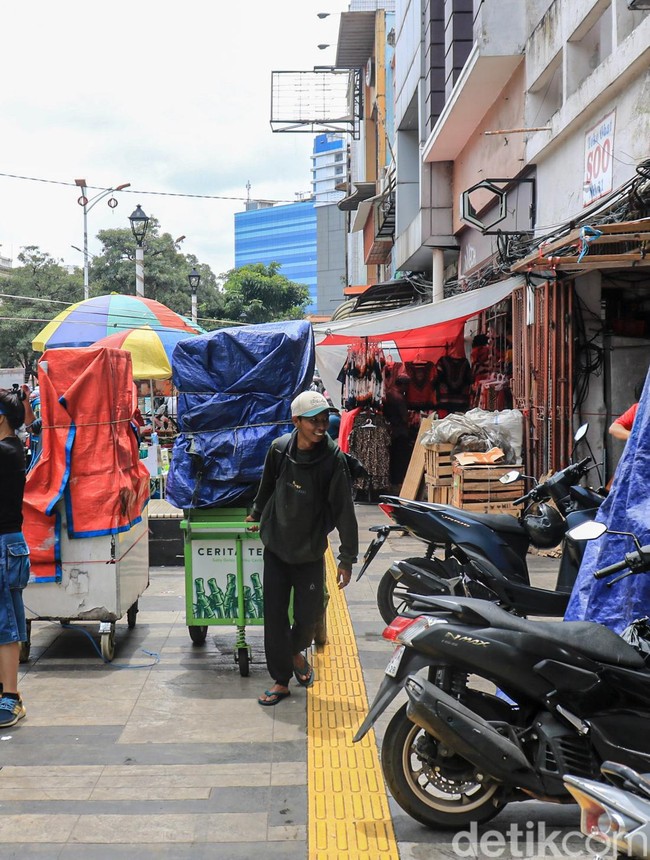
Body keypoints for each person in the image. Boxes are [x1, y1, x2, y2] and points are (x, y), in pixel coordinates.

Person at [245, 390, 359, 706]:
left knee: (309, 615)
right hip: (277, 546)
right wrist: (256, 512)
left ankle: (295, 650)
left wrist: (346, 557)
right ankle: (280, 680)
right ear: (297, 421)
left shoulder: (332, 460)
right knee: (275, 617)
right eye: (314, 421)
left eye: (324, 419)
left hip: (309, 550)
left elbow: (344, 509)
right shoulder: (279, 450)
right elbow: (266, 485)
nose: (322, 426)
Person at [0, 387, 30, 727]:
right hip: (8, 546)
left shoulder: (6, 452)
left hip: (4, 547)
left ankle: (10, 697)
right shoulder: (12, 448)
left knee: (4, 625)